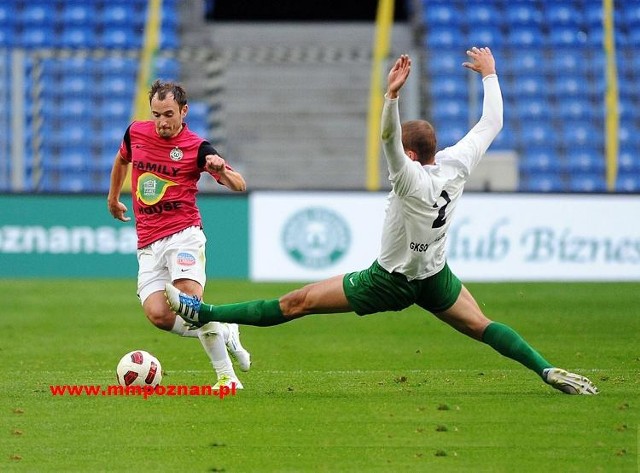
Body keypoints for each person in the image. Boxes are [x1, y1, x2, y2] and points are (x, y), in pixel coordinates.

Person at [165, 49, 598, 395]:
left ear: (410, 157)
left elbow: (389, 140)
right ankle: (545, 370)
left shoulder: (409, 179)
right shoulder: (456, 163)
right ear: (434, 148)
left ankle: (206, 312)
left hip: (389, 280)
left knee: (298, 303)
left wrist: (390, 97)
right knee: (483, 327)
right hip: (434, 275)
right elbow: (492, 122)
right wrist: (490, 73)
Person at [107, 79, 251, 389]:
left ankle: (227, 377)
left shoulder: (198, 148)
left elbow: (240, 185)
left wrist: (220, 169)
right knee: (159, 315)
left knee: (190, 302)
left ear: (184, 111)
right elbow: (121, 160)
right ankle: (224, 330)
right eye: (156, 114)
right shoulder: (136, 132)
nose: (162, 122)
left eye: (169, 114)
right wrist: (113, 197)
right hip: (148, 241)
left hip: (183, 235)